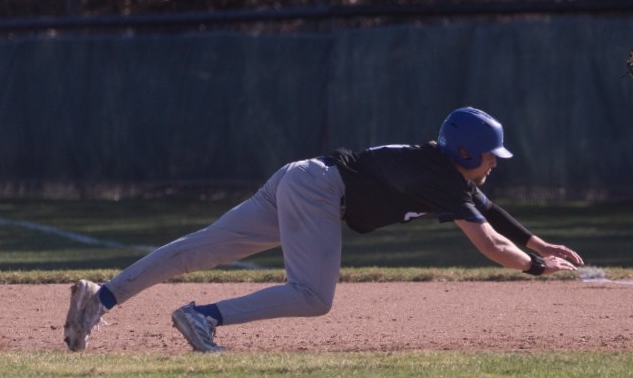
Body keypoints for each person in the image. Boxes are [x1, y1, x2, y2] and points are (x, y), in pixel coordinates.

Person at [63, 107, 583, 353]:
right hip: (318, 192)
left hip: (304, 178)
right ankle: (203, 318)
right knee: (313, 295)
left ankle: (100, 298)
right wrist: (536, 266)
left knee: (199, 249)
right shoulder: (442, 178)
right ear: (467, 153)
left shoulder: (444, 172)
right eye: (491, 155)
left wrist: (537, 242)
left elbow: (490, 212)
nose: (495, 163)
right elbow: (489, 242)